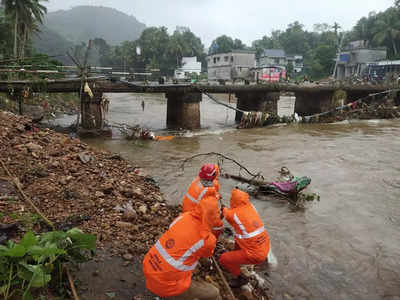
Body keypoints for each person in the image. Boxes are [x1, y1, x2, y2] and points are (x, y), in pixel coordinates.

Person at [143, 199, 221, 299]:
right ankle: (174, 295)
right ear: (213, 216)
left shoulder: (185, 216)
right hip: (163, 285)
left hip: (148, 265)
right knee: (214, 292)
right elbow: (207, 254)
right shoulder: (208, 239)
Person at [219, 188, 270, 288]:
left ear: (233, 201)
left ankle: (241, 278)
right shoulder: (251, 207)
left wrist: (223, 208)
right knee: (239, 237)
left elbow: (227, 214)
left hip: (255, 254)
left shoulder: (233, 214)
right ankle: (237, 261)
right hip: (265, 247)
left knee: (223, 259)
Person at [182, 164, 223, 237]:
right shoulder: (208, 190)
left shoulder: (196, 181)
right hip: (193, 217)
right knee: (218, 225)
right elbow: (210, 203)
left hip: (185, 212)